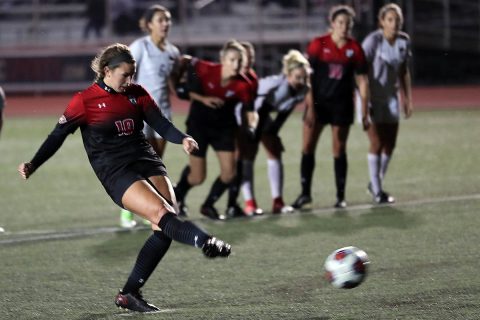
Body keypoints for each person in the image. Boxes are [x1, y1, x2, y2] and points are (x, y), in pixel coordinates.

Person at [18, 43, 231, 313]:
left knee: (163, 226)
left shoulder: (137, 93)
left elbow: (161, 124)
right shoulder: (84, 100)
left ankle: (129, 293)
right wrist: (33, 163)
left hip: (146, 160)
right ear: (107, 71)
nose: (129, 80)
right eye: (125, 75)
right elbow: (56, 137)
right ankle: (205, 241)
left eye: (132, 74)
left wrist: (184, 139)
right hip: (115, 170)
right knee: (162, 213)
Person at [291, 5, 369, 209]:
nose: (344, 27)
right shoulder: (318, 44)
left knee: (338, 149)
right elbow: (308, 76)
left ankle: (340, 197)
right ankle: (305, 194)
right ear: (332, 23)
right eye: (340, 22)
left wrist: (365, 111)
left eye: (348, 24)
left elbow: (362, 80)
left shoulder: (355, 49)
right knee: (307, 147)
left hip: (342, 105)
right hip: (318, 103)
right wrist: (310, 106)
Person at [174, 39, 255, 220]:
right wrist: (203, 99)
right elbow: (185, 90)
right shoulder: (204, 69)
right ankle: (176, 194)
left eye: (240, 61)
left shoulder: (244, 84)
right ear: (223, 59)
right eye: (232, 59)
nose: (237, 64)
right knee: (197, 178)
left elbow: (251, 112)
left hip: (224, 129)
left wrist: (252, 125)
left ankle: (208, 205)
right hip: (199, 126)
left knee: (229, 174)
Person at [119, 5, 182, 228]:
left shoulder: (173, 52)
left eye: (168, 19)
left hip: (162, 113)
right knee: (138, 163)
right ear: (149, 24)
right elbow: (123, 73)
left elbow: (174, 84)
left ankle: (152, 210)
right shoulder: (140, 47)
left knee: (155, 164)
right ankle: (126, 212)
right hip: (138, 113)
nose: (165, 23)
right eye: (160, 20)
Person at [238, 49, 311, 215]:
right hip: (247, 110)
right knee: (248, 154)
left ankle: (278, 202)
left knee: (274, 150)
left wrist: (274, 131)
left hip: (262, 114)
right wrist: (253, 133)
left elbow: (284, 112)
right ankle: (250, 204)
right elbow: (258, 107)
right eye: (297, 77)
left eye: (304, 77)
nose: (301, 81)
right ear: (288, 74)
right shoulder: (276, 85)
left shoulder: (303, 89)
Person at [362, 3, 413, 203]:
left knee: (390, 144)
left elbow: (403, 70)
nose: (394, 23)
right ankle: (377, 191)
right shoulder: (372, 41)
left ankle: (375, 183)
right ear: (382, 21)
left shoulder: (403, 41)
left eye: (397, 20)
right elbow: (361, 72)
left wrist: (407, 97)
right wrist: (365, 102)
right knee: (376, 142)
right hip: (371, 98)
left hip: (391, 97)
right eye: (390, 19)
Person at [225, 41, 263, 217]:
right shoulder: (230, 78)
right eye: (246, 57)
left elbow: (250, 106)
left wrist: (251, 125)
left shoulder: (252, 78)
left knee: (244, 162)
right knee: (232, 165)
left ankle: (242, 203)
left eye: (252, 57)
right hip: (227, 124)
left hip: (243, 124)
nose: (249, 61)